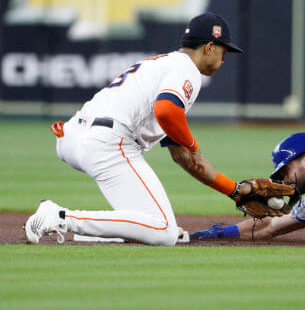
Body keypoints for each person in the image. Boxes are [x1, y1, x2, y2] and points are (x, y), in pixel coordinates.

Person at [25, 12, 257, 246]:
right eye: (223, 50)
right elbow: (166, 111)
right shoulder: (187, 70)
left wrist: (235, 191)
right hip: (109, 142)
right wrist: (193, 144)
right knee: (164, 231)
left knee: (149, 223)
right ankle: (61, 218)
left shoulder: (163, 65)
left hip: (72, 137)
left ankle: (97, 232)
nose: (224, 58)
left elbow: (186, 158)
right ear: (209, 47)